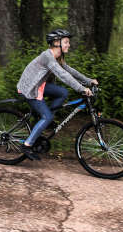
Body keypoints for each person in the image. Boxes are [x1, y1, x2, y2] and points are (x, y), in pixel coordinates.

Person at [16, 29, 98, 160]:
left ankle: (46, 120)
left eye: (68, 42)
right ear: (56, 42)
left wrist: (88, 81)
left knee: (62, 92)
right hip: (30, 89)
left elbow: (69, 71)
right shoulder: (47, 57)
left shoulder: (57, 57)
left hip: (39, 85)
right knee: (46, 116)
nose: (69, 45)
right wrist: (82, 89)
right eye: (66, 42)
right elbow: (63, 76)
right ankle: (27, 145)